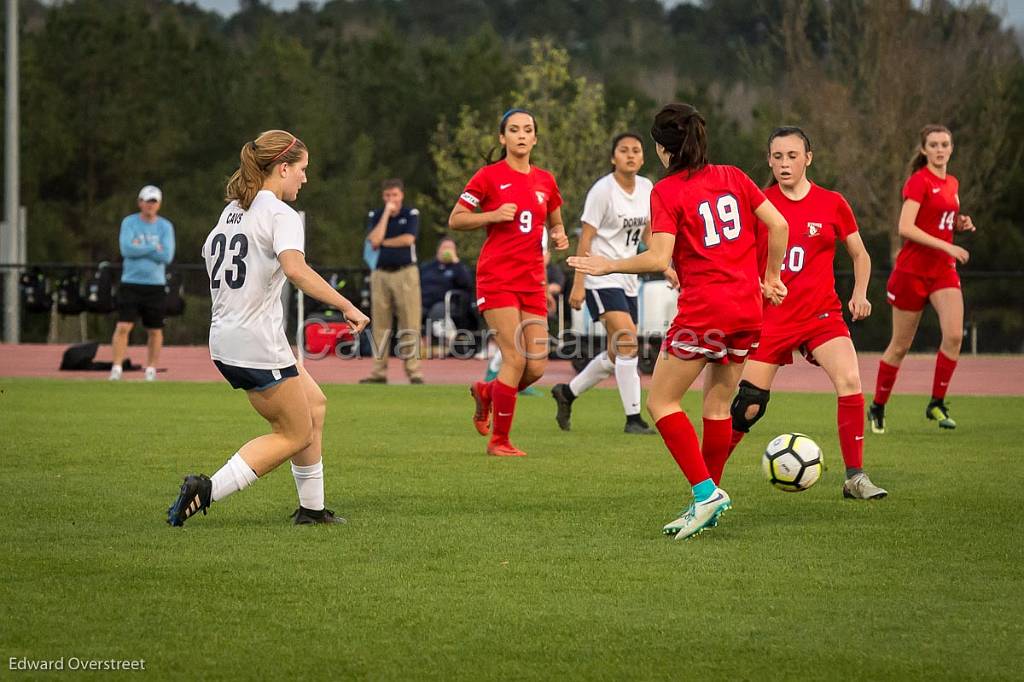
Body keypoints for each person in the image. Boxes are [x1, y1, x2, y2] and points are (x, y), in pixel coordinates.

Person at [569, 103, 789, 539]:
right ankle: (705, 499)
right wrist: (771, 276)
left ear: (661, 148)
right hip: (747, 307)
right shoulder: (734, 176)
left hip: (706, 310)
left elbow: (657, 256)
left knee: (661, 402)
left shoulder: (666, 191)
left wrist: (606, 265)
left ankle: (706, 494)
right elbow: (779, 225)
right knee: (717, 406)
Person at [166, 130, 370, 527]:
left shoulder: (233, 209)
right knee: (294, 433)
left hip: (228, 337)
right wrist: (346, 304)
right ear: (282, 168)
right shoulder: (280, 213)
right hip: (255, 342)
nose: (305, 179)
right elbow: (295, 269)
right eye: (302, 170)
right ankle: (207, 490)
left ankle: (312, 510)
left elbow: (210, 254)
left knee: (315, 406)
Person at [723, 127, 886, 499]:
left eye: (792, 156)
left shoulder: (833, 203)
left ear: (808, 158)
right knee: (748, 407)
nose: (784, 163)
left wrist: (859, 293)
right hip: (770, 319)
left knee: (849, 380)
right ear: (768, 160)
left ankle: (856, 478)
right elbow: (737, 258)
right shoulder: (759, 204)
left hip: (821, 315)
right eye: (777, 156)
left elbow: (860, 254)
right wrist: (760, 284)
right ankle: (707, 483)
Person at [449, 108, 569, 457]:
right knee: (514, 359)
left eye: (527, 129)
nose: (520, 135)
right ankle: (499, 441)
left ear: (534, 138)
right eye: (513, 130)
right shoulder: (488, 177)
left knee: (536, 366)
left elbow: (556, 221)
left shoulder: (545, 180)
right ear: (502, 138)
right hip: (497, 278)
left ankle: (487, 392)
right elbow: (456, 219)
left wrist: (560, 236)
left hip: (532, 281)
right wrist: (492, 215)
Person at [553, 132, 677, 435]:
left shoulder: (648, 187)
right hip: (600, 276)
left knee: (616, 353)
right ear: (613, 158)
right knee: (627, 342)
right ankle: (633, 419)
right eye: (624, 150)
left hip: (629, 277)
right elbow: (586, 238)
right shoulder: (602, 191)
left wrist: (666, 265)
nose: (631, 155)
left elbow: (648, 236)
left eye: (636, 150)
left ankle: (566, 393)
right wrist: (579, 284)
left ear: (643, 157)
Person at [869, 125, 975, 433]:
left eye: (945, 144)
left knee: (954, 336)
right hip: (912, 273)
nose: (940, 149)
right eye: (934, 144)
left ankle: (936, 404)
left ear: (951, 148)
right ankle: (878, 406)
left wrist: (958, 222)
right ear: (924, 150)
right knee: (900, 346)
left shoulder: (952, 182)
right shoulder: (918, 181)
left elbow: (939, 217)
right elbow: (906, 227)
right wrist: (948, 244)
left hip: (942, 270)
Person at [360, 178, 424, 384]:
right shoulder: (376, 215)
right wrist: (386, 214)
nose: (391, 200)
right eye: (388, 196)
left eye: (395, 195)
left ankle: (413, 371)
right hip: (380, 273)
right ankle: (378, 371)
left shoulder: (411, 214)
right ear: (383, 196)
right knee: (380, 323)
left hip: (405, 273)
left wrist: (384, 242)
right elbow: (374, 239)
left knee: (410, 322)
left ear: (401, 195)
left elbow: (408, 240)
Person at [109, 185, 175, 382]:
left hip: (155, 285)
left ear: (159, 204)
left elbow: (167, 255)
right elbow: (127, 249)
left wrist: (141, 247)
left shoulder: (165, 226)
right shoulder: (129, 222)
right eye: (147, 201)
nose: (150, 205)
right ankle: (117, 367)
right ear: (140, 202)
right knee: (123, 326)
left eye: (153, 201)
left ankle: (151, 369)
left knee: (155, 329)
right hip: (131, 282)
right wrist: (153, 247)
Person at [420, 236, 473, 338]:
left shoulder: (459, 268)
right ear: (438, 250)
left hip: (448, 304)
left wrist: (456, 263)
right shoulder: (427, 267)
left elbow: (467, 284)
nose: (447, 250)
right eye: (444, 247)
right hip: (424, 302)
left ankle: (437, 341)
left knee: (437, 310)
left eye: (450, 248)